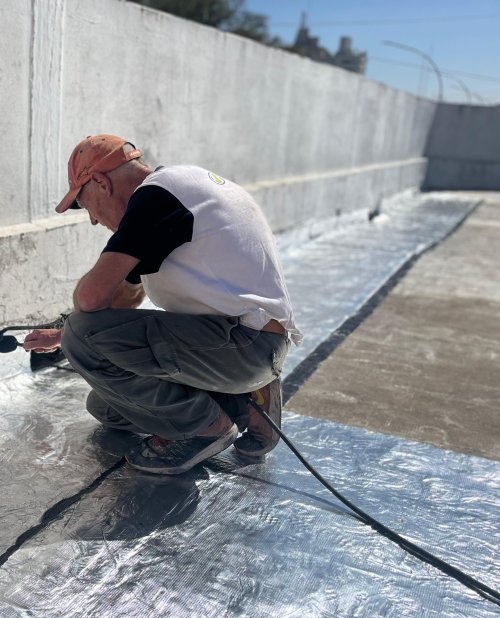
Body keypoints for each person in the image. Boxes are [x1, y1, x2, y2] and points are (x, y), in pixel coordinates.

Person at [23, 134, 302, 475]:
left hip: (243, 344)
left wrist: (71, 333)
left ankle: (204, 428)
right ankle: (242, 402)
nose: (93, 219)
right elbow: (126, 296)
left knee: (82, 335)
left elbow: (90, 299)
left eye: (84, 204)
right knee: (107, 407)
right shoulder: (178, 192)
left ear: (100, 182)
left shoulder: (157, 195)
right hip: (245, 345)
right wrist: (61, 333)